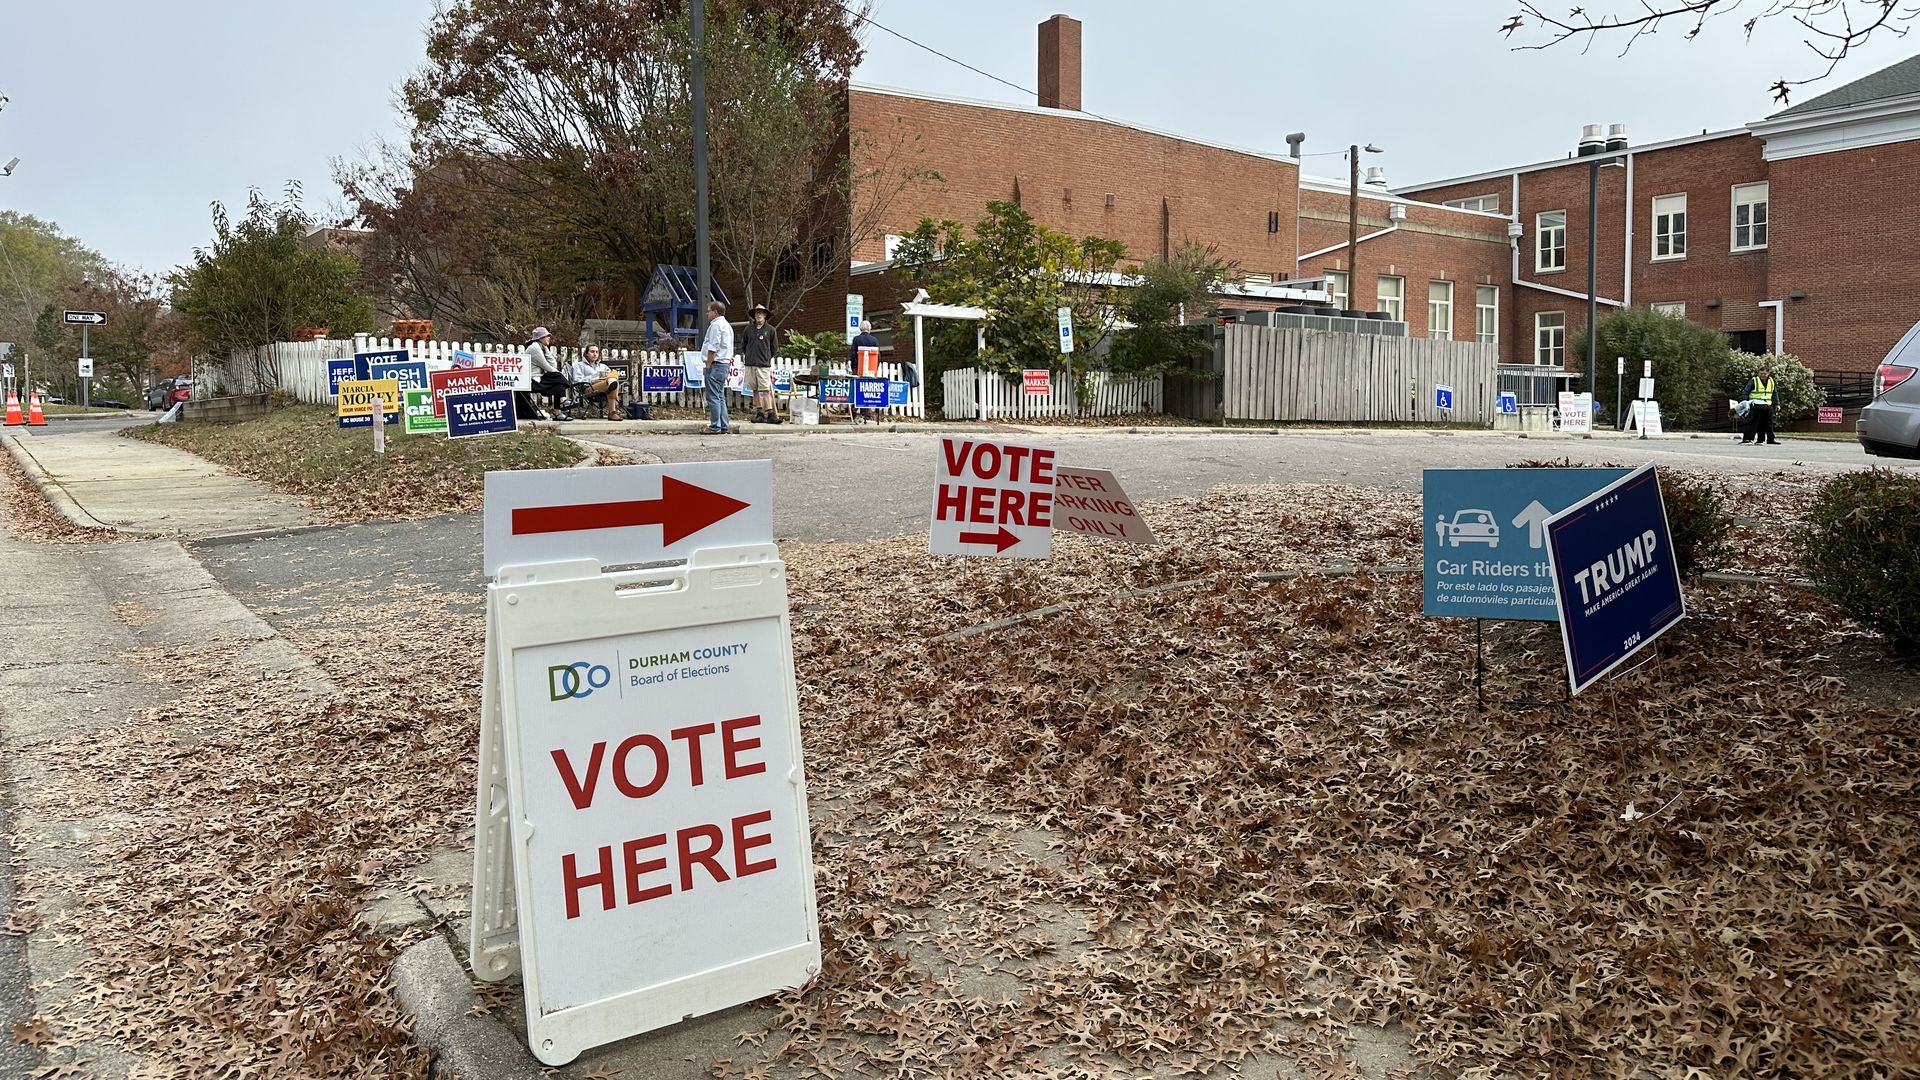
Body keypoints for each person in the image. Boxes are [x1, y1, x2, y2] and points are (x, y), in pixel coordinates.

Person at [740, 303, 781, 424]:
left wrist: (766, 357)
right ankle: (759, 413)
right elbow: (743, 345)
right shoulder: (748, 329)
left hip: (763, 364)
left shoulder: (770, 330)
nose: (758, 315)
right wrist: (749, 355)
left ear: (765, 315)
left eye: (761, 313)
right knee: (755, 389)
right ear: (754, 315)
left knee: (766, 389)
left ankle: (770, 413)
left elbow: (774, 348)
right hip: (750, 363)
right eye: (756, 313)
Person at [701, 300, 735, 434]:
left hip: (716, 364)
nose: (707, 313)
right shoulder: (727, 325)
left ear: (715, 312)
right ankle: (723, 424)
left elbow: (713, 347)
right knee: (720, 396)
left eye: (709, 311)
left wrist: (708, 365)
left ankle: (715, 425)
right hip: (725, 364)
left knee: (713, 397)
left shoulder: (716, 325)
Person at [527, 326, 571, 422]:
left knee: (559, 384)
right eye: (547, 336)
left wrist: (546, 348)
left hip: (539, 377)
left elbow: (553, 364)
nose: (549, 338)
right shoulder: (534, 348)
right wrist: (559, 375)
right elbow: (546, 367)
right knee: (558, 377)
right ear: (540, 337)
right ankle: (562, 403)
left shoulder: (541, 347)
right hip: (531, 380)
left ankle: (559, 412)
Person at [572, 345, 623, 420]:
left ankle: (610, 384)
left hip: (604, 385)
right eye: (592, 351)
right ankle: (612, 413)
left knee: (614, 373)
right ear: (586, 353)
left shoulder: (603, 366)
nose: (595, 354)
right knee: (612, 381)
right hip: (589, 388)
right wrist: (595, 379)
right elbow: (577, 380)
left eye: (596, 352)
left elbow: (611, 375)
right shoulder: (579, 365)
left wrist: (606, 379)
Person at [849, 319, 881, 424]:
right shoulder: (874, 340)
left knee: (856, 389)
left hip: (858, 368)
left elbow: (853, 355)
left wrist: (854, 366)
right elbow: (878, 356)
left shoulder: (856, 339)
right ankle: (866, 413)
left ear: (860, 328)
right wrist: (875, 367)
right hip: (871, 369)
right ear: (869, 328)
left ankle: (854, 412)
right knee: (866, 390)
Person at [1744, 364, 1780, 445]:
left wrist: (1777, 404)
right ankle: (1748, 439)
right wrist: (1746, 403)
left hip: (1767, 405)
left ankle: (1766, 439)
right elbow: (1746, 392)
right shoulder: (1754, 380)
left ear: (1768, 374)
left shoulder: (1771, 381)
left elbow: (1774, 393)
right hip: (1756, 405)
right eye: (1761, 374)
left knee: (1767, 423)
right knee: (1753, 422)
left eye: (1764, 374)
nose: (1762, 375)